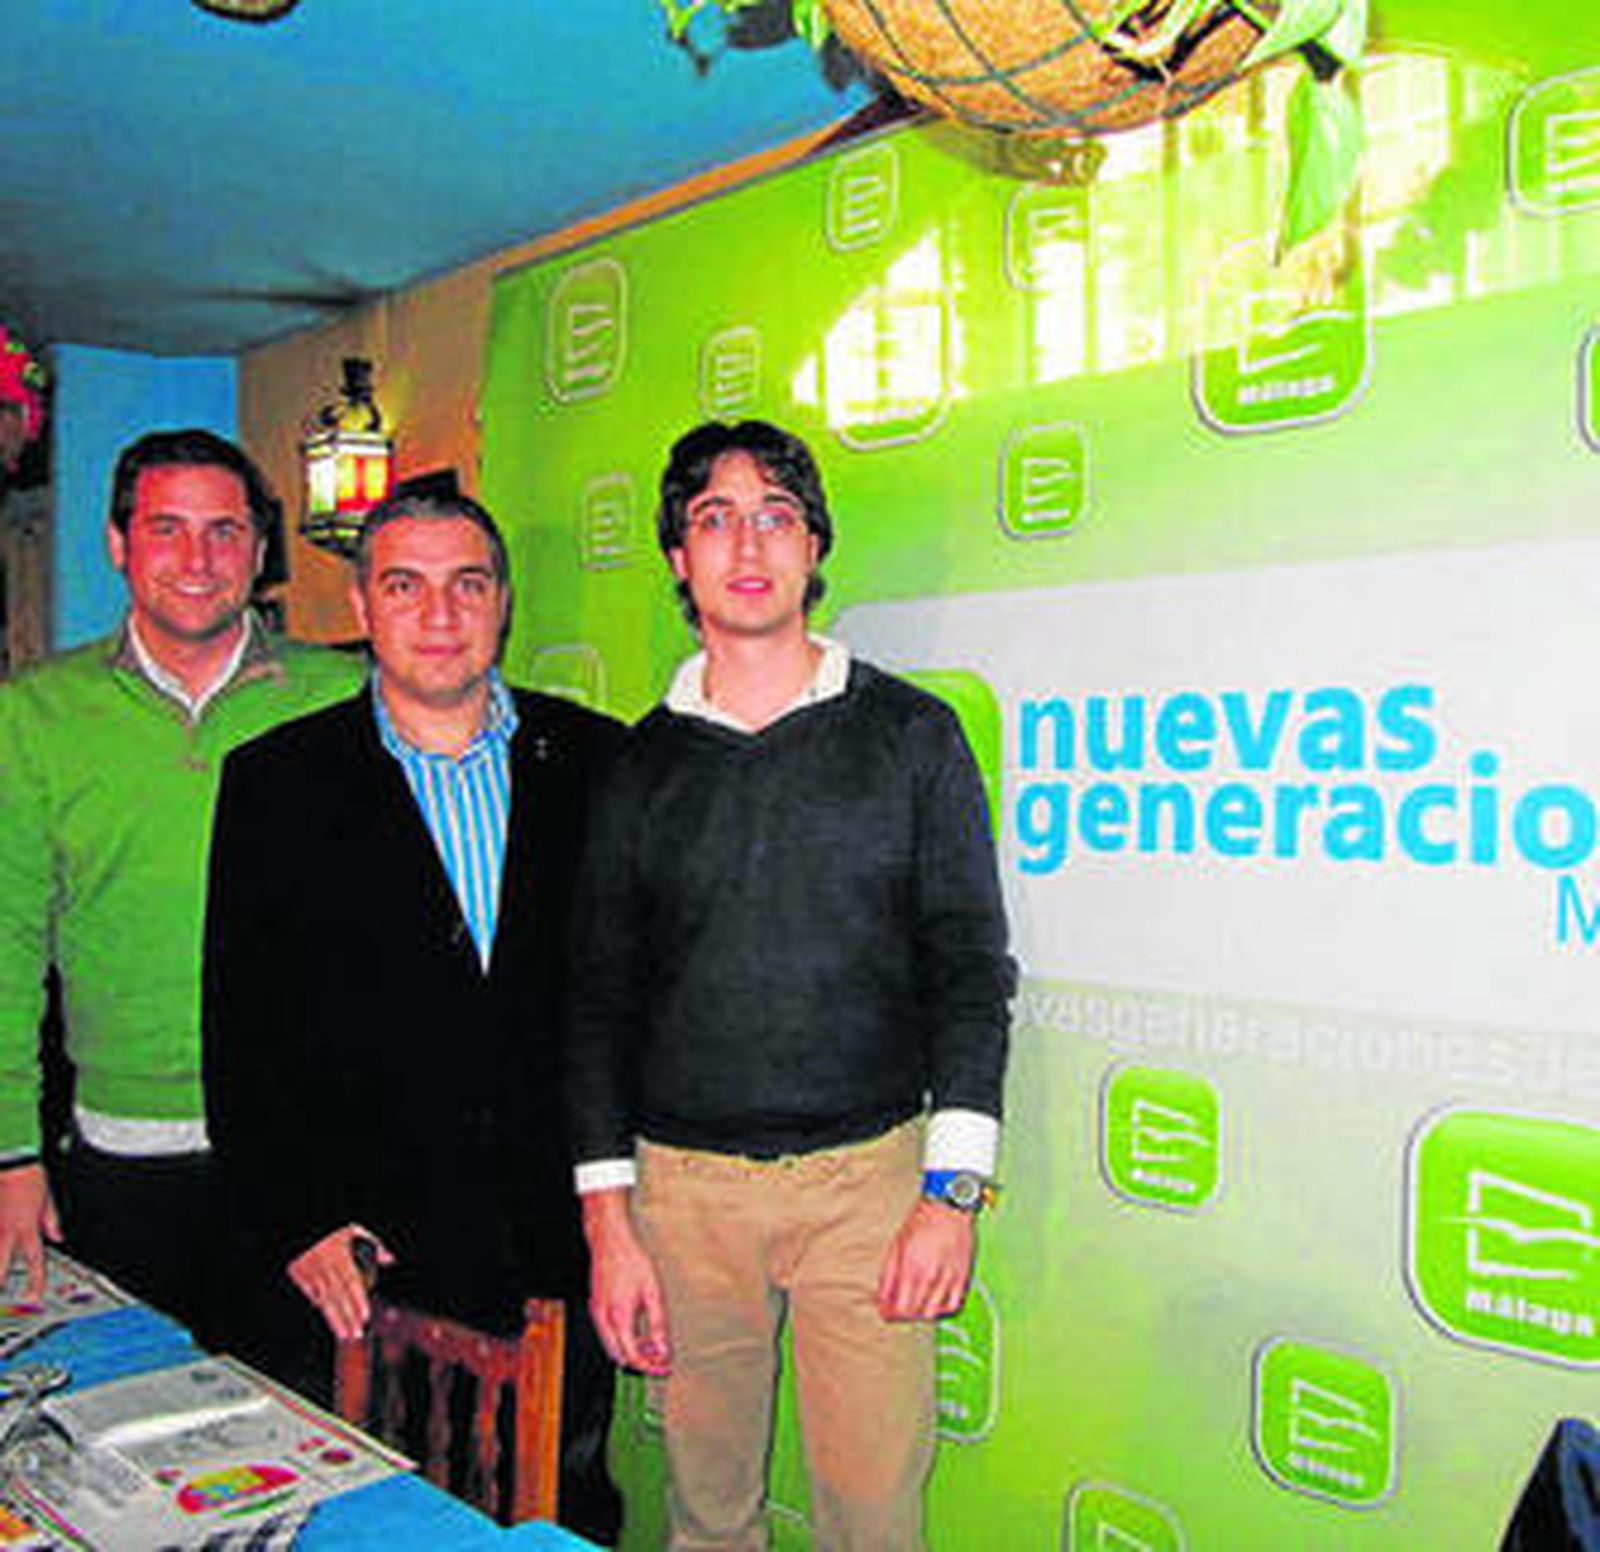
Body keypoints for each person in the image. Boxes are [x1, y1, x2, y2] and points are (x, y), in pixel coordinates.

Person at [568, 419, 1015, 1551]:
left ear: (814, 545)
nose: (748, 543)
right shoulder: (635, 768)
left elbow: (969, 966)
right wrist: (609, 1225)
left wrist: (951, 1193)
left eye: (775, 515)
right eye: (714, 519)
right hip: (685, 1201)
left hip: (870, 1190)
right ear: (678, 557)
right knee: (707, 1514)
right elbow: (596, 1001)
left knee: (874, 1517)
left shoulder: (913, 737)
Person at [203, 490, 625, 1542]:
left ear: (503, 602)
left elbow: (640, 1000)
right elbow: (242, 1030)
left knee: (563, 1513)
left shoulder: (600, 762)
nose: (440, 614)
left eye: (467, 584)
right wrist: (297, 1216)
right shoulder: (275, 784)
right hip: (366, 1255)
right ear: (362, 606)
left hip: (561, 1241)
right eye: (405, 586)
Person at [0, 428, 360, 1329]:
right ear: (118, 544)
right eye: (167, 529)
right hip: (120, 1162)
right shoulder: (34, 716)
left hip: (311, 1160)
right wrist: (10, 1155)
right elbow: (5, 944)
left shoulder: (343, 694)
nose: (199, 560)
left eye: (225, 531)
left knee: (307, 1407)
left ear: (261, 549)